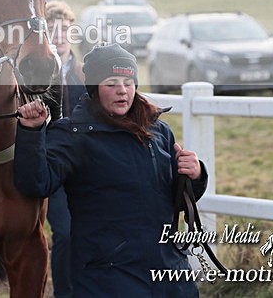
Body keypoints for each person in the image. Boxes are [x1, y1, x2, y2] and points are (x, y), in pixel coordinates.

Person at [13, 43, 208, 297]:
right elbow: (35, 183)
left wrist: (195, 175)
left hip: (168, 272)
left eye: (128, 82)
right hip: (107, 276)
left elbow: (175, 199)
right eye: (111, 83)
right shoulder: (72, 134)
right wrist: (30, 133)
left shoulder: (158, 131)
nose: (122, 91)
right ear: (94, 89)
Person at [44, 0, 86, 298]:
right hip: (50, 167)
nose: (58, 36)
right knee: (66, 233)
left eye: (64, 30)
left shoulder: (85, 75)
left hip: (86, 167)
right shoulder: (34, 76)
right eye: (51, 30)